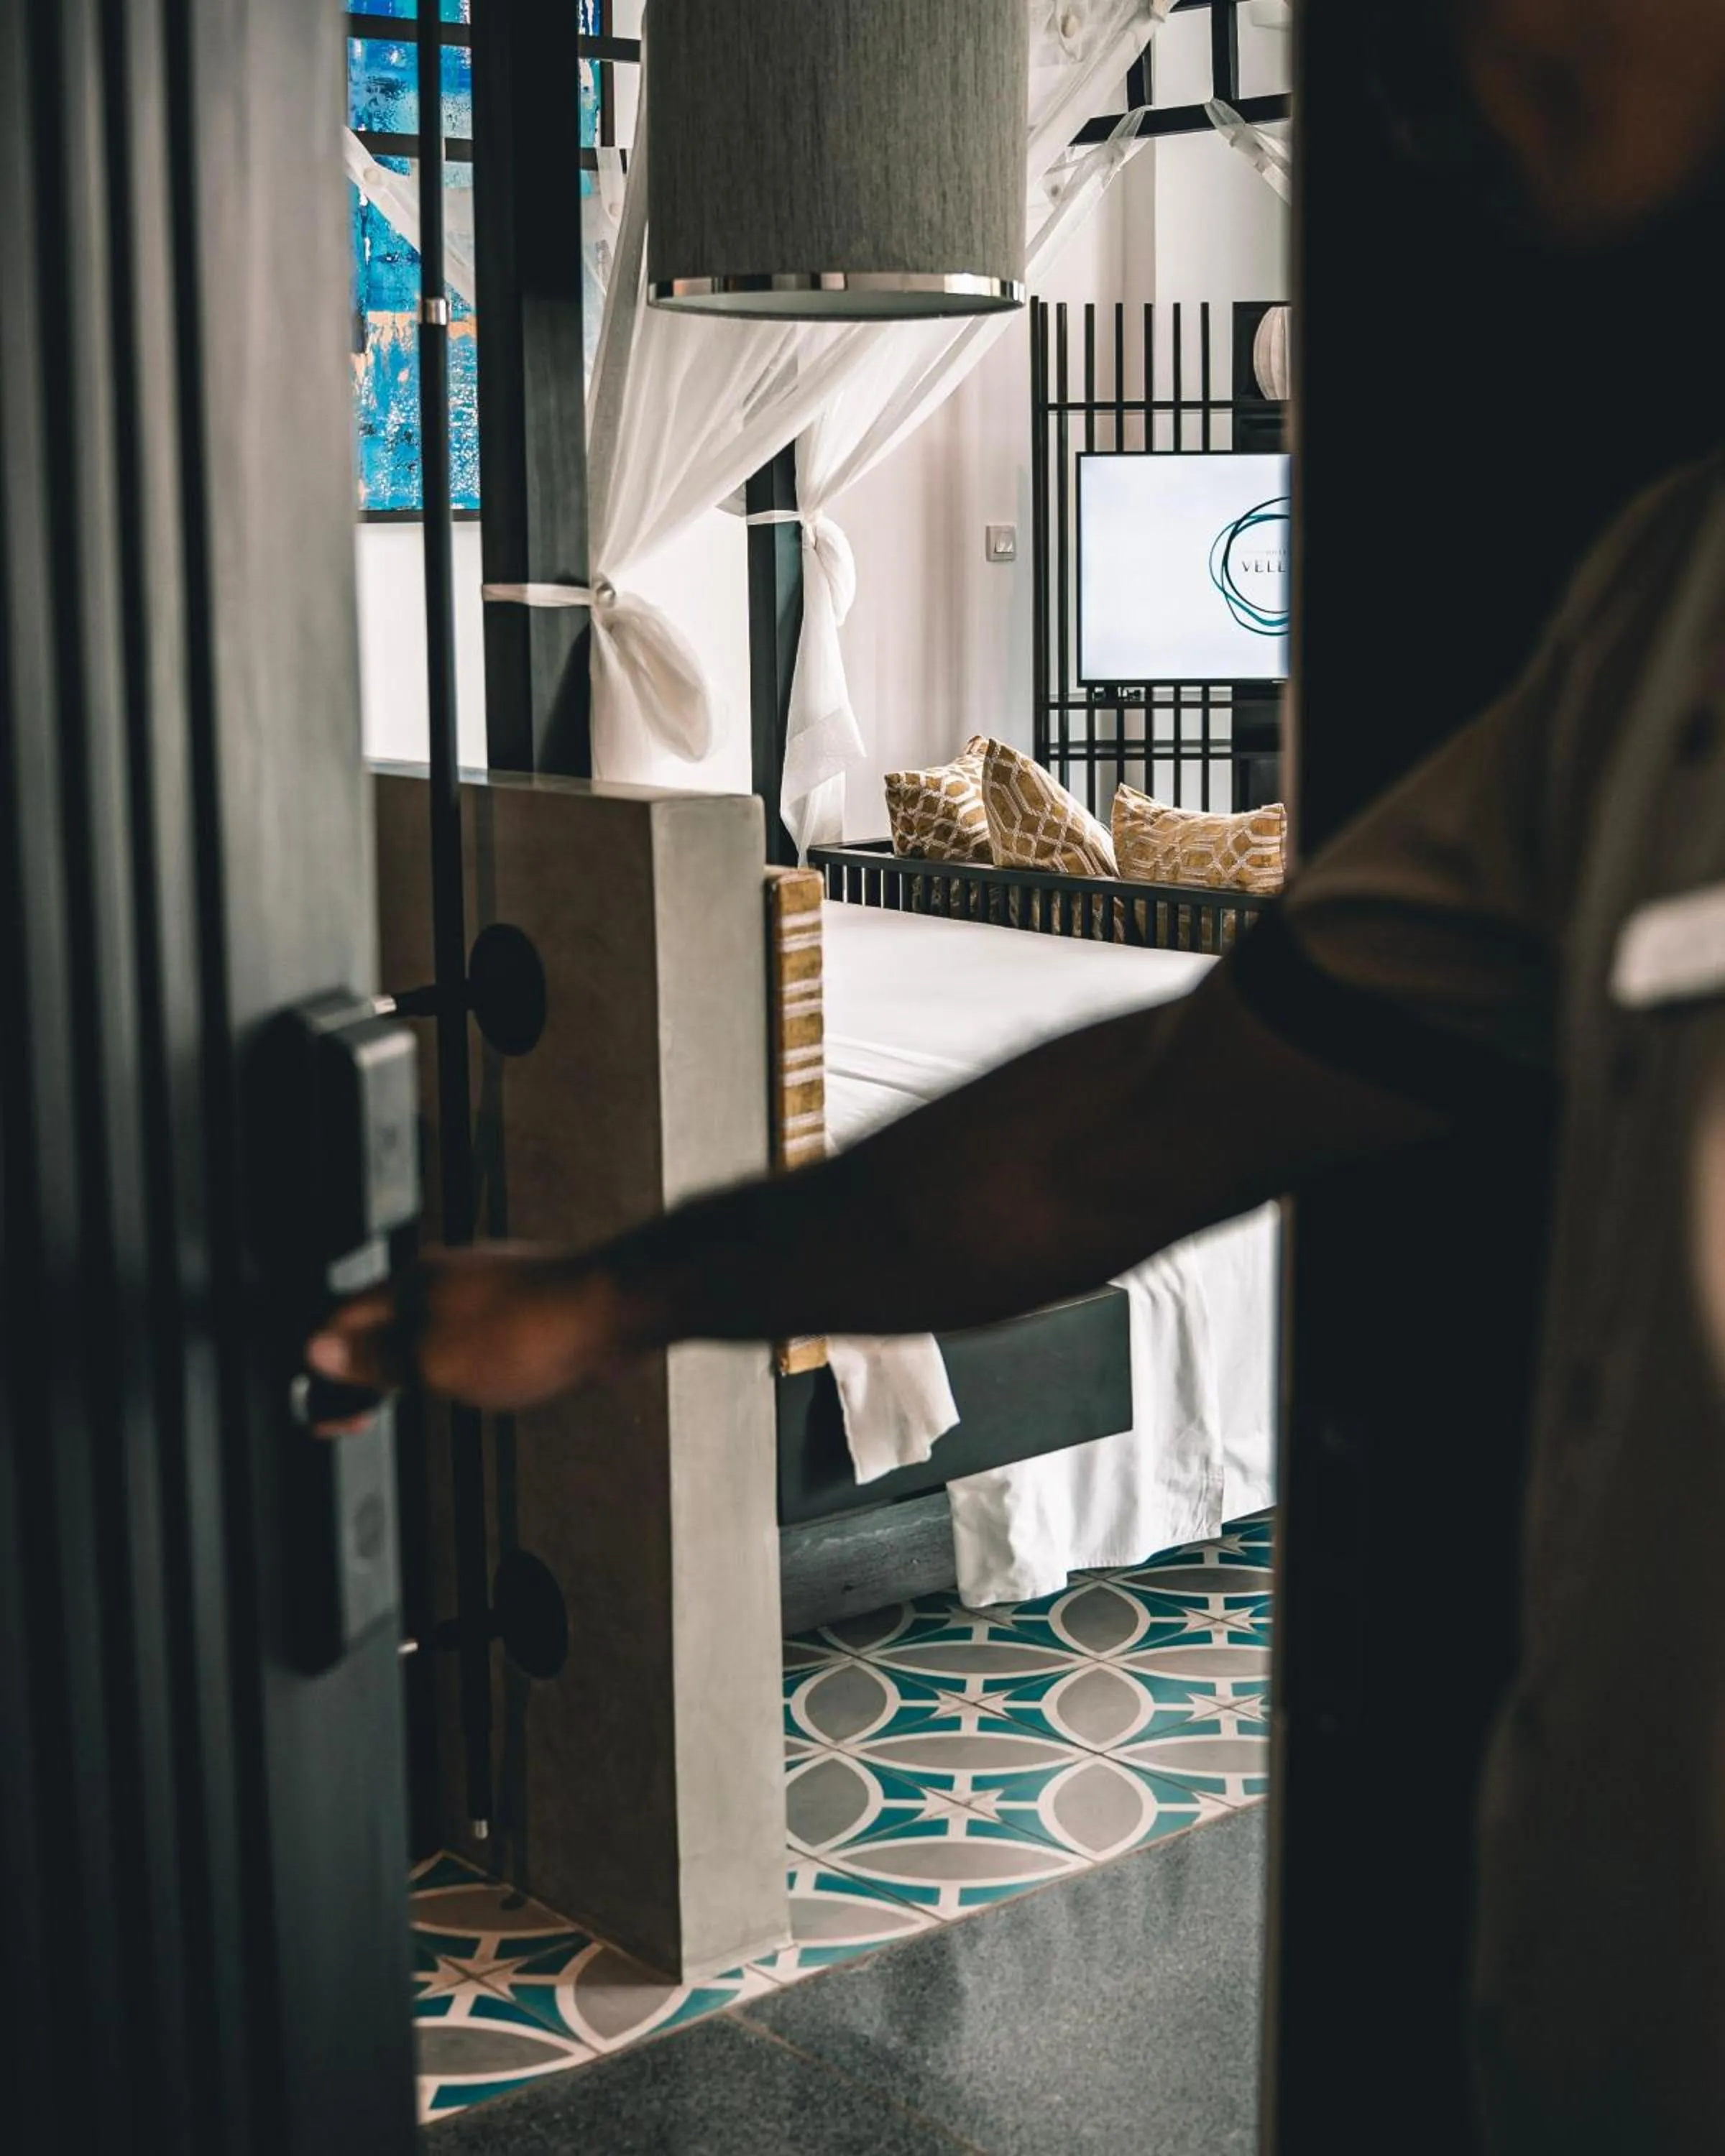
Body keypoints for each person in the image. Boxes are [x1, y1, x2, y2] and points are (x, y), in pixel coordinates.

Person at [310, 4, 1725, 2148]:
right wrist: (612, 1295)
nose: (1440, 61)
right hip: (1578, 2000)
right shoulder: (1649, 628)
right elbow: (1142, 1121)